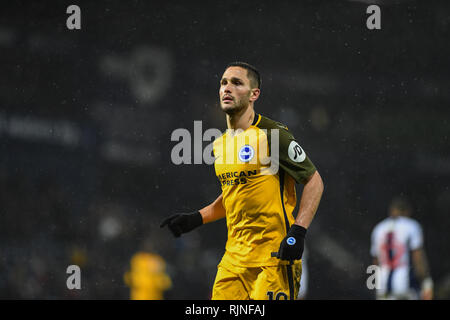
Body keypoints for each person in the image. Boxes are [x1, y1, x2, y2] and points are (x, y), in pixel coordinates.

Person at [161, 62, 324, 300]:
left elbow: (314, 181)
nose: (227, 88)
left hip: (273, 259)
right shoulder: (220, 145)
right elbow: (235, 196)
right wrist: (197, 218)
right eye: (223, 83)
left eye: (237, 83)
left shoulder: (272, 134)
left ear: (253, 94)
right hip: (233, 261)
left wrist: (298, 232)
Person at [370, 196, 433, 300]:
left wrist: (373, 286)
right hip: (405, 285)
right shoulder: (411, 226)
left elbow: (375, 262)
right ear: (407, 211)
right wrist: (426, 282)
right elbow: (417, 258)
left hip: (383, 286)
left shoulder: (378, 228)